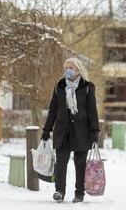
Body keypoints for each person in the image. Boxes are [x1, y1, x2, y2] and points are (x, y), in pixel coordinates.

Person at [41, 57, 100, 203]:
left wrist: (95, 130)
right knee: (61, 163)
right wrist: (47, 129)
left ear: (78, 70)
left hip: (82, 131)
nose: (68, 70)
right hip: (63, 130)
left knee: (80, 164)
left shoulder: (87, 87)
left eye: (71, 67)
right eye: (66, 67)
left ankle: (79, 193)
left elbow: (92, 110)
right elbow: (53, 110)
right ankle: (59, 191)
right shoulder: (59, 86)